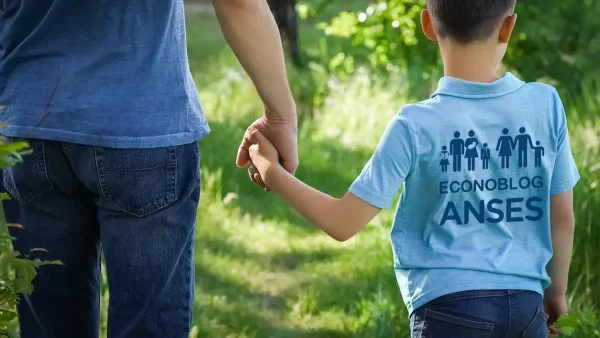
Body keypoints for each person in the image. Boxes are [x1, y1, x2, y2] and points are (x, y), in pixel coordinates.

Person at [245, 0, 579, 337]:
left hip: (449, 309)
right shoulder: (545, 104)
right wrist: (556, 294)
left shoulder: (414, 124)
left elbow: (342, 222)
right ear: (508, 26)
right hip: (526, 308)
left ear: (427, 25)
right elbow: (562, 216)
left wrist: (272, 171)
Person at [0, 0, 297, 337]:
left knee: (49, 324)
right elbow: (240, 3)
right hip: (144, 130)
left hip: (28, 126)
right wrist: (280, 116)